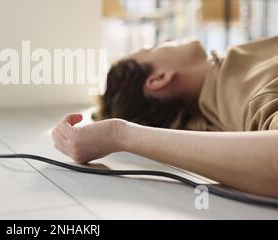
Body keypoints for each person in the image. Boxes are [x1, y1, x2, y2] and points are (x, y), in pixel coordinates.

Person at [52, 36, 278, 198]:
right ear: (158, 78)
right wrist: (119, 134)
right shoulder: (244, 89)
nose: (168, 37)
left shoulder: (230, 73)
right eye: (153, 47)